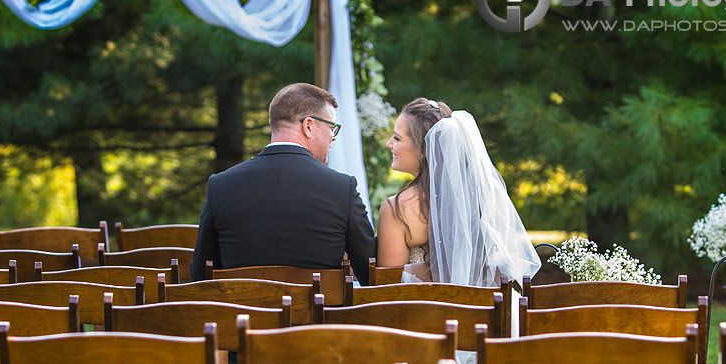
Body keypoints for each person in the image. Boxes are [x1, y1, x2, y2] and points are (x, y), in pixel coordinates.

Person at [190, 83, 376, 283]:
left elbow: (201, 273)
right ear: (309, 126)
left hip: (243, 313)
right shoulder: (342, 188)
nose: (333, 137)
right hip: (319, 313)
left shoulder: (221, 185)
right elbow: (369, 270)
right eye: (331, 128)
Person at [378, 97, 540, 288]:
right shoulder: (485, 198)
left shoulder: (398, 209)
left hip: (426, 316)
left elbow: (388, 291)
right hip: (485, 314)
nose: (389, 144)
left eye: (397, 138)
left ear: (423, 149)